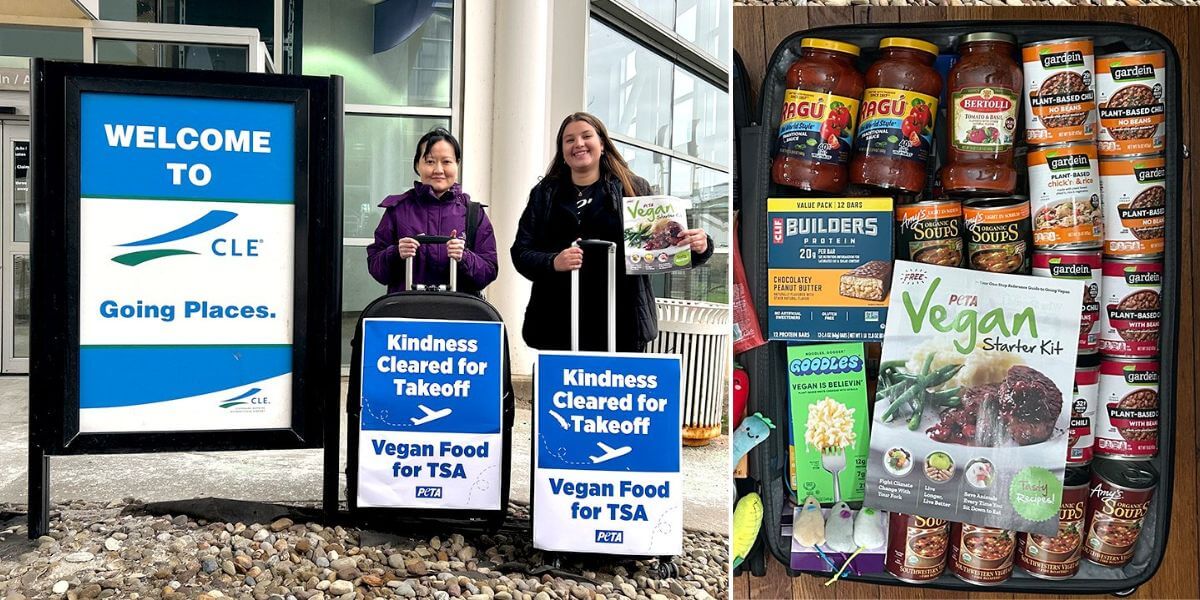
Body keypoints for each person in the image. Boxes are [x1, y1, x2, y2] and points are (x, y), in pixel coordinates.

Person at [511, 112, 712, 352]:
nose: (578, 144)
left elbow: (664, 247)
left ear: (602, 144)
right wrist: (554, 261)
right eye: (569, 140)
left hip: (621, 322)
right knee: (561, 389)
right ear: (562, 150)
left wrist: (699, 246)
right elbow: (521, 252)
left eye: (586, 136)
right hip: (558, 323)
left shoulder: (633, 188)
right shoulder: (545, 193)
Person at [367, 128, 498, 296]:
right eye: (430, 161)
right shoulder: (398, 210)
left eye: (446, 162)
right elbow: (377, 270)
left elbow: (489, 272)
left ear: (457, 164)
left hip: (459, 315)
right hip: (407, 315)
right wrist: (396, 252)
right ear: (417, 165)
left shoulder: (473, 213)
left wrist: (464, 256)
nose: (438, 169)